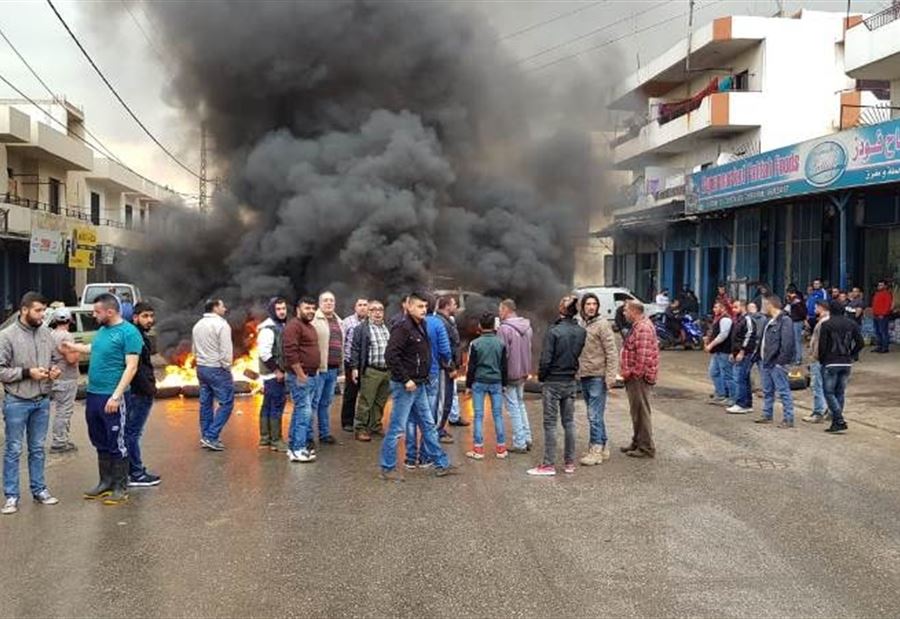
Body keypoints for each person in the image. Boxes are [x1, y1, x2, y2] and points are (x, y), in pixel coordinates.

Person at [65, 293, 143, 505]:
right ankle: (105, 482)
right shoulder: (102, 330)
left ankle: (120, 486)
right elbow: (94, 348)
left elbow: (132, 366)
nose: (93, 314)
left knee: (117, 441)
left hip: (113, 396)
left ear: (110, 311)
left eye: (97, 311)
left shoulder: (129, 333)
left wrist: (116, 396)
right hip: (94, 394)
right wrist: (73, 348)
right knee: (99, 438)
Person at [379, 292, 455, 481]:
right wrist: (405, 379)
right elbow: (390, 356)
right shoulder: (402, 328)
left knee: (429, 425)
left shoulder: (422, 325)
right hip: (406, 387)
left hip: (420, 384)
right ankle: (387, 468)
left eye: (425, 306)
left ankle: (441, 463)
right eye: (420, 306)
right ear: (409, 306)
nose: (424, 310)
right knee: (397, 428)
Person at [0, 292, 61, 515]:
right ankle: (11, 496)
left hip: (42, 401)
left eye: (44, 310)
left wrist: (55, 370)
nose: (42, 315)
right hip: (16, 401)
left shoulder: (46, 333)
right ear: (24, 310)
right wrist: (28, 373)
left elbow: (55, 359)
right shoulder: (6, 336)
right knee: (13, 449)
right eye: (38, 310)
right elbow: (1, 370)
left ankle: (40, 490)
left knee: (37, 449)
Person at [527, 295, 586, 476]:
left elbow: (546, 360)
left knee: (550, 424)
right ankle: (569, 463)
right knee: (569, 423)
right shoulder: (581, 331)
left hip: (553, 382)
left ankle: (548, 465)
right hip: (570, 381)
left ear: (562, 309)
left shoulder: (554, 331)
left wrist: (542, 377)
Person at [404, 295, 450, 468]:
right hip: (431, 373)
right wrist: (445, 362)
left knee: (410, 417)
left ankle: (410, 458)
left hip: (411, 377)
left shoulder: (406, 324)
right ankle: (425, 457)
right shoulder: (437, 323)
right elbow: (445, 350)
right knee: (428, 416)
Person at [577, 293, 618, 466]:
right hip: (585, 375)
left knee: (593, 415)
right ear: (583, 307)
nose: (591, 307)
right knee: (596, 415)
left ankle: (596, 450)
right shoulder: (582, 324)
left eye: (594, 304)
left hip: (597, 376)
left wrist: (610, 377)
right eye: (588, 304)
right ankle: (603, 445)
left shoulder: (602, 325)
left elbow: (611, 352)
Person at [124, 301, 161, 487]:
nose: (150, 320)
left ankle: (130, 471)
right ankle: (136, 473)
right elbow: (135, 368)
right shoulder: (135, 337)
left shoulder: (137, 335)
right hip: (139, 393)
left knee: (130, 433)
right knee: (132, 433)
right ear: (135, 317)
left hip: (137, 391)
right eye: (145, 316)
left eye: (151, 316)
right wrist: (149, 389)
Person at [464, 312, 508, 460]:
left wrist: (468, 385)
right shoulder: (500, 343)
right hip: (496, 382)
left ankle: (478, 449)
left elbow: (471, 366)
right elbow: (504, 366)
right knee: (497, 415)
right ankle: (501, 448)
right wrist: (504, 383)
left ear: (480, 326)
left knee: (478, 415)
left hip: (479, 382)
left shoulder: (475, 344)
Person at [619, 300, 659, 459]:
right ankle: (637, 442)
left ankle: (646, 448)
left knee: (641, 412)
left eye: (625, 310)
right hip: (634, 377)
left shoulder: (642, 328)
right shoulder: (638, 326)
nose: (624, 313)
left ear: (634, 311)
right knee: (636, 411)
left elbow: (642, 358)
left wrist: (632, 373)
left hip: (638, 379)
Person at [192, 299, 234, 451]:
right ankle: (211, 435)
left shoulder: (198, 325)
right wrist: (227, 367)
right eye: (223, 306)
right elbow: (226, 351)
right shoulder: (222, 325)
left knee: (206, 403)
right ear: (215, 308)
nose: (225, 308)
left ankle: (206, 436)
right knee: (227, 403)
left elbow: (194, 349)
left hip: (202, 368)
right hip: (217, 368)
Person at [818, 300, 864, 434]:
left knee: (828, 392)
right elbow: (860, 342)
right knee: (840, 392)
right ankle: (836, 422)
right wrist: (852, 354)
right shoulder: (852, 324)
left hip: (831, 361)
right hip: (846, 361)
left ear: (830, 310)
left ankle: (838, 418)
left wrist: (822, 360)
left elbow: (822, 345)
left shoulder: (826, 324)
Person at [283, 297, 321, 463]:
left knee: (302, 412)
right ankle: (299, 449)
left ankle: (293, 447)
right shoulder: (293, 326)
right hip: (301, 377)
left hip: (311, 375)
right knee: (304, 413)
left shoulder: (309, 327)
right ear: (298, 309)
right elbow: (290, 352)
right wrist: (300, 374)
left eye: (313, 308)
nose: (311, 311)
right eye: (307, 308)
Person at [350, 300, 390, 441]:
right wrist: (354, 368)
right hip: (371, 371)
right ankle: (360, 428)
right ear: (368, 312)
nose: (377, 312)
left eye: (380, 309)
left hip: (387, 371)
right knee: (366, 401)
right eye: (374, 310)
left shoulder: (388, 327)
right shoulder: (361, 329)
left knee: (380, 401)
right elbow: (354, 350)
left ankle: (375, 426)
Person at [498, 298, 534, 454]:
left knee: (513, 407)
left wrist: (500, 376)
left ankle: (519, 443)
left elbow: (502, 355)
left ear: (506, 309)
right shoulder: (527, 327)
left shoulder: (504, 329)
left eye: (500, 309)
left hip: (510, 374)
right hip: (524, 372)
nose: (499, 313)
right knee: (520, 404)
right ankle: (527, 438)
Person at [754, 295, 796, 428]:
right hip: (765, 361)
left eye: (765, 304)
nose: (764, 307)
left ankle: (788, 418)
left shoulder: (785, 321)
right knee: (767, 390)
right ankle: (767, 415)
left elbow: (787, 343)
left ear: (771, 305)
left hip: (776, 362)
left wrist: (781, 362)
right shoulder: (768, 321)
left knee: (783, 390)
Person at [309, 291, 342, 445]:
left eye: (331, 300)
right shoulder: (314, 320)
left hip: (333, 368)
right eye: (326, 300)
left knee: (326, 403)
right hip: (319, 369)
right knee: (313, 403)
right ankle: (308, 436)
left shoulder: (338, 321)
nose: (329, 303)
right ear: (320, 303)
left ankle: (324, 433)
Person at [257, 297, 289, 451]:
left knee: (267, 405)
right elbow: (264, 353)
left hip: (273, 374)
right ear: (272, 311)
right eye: (278, 309)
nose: (282, 312)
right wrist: (277, 371)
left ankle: (265, 439)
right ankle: (276, 440)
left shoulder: (278, 326)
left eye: (283, 308)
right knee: (276, 405)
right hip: (273, 375)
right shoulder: (269, 329)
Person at [48, 307, 81, 453]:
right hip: (66, 379)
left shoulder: (51, 334)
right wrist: (78, 350)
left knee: (59, 410)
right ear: (70, 320)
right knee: (64, 411)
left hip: (54, 377)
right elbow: (72, 359)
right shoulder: (66, 337)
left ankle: (60, 439)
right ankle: (60, 442)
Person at [435, 295, 464, 438]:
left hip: (447, 367)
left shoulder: (446, 321)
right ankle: (438, 430)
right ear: (447, 306)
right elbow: (444, 349)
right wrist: (450, 368)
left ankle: (440, 427)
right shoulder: (442, 323)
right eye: (454, 304)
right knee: (443, 399)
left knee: (447, 398)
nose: (456, 307)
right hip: (444, 369)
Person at [340, 298, 369, 433]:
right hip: (350, 362)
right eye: (360, 305)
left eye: (365, 305)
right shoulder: (347, 322)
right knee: (350, 392)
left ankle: (364, 421)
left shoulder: (372, 322)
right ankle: (347, 421)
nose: (363, 307)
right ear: (355, 307)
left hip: (367, 363)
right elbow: (342, 342)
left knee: (367, 394)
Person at [801, 300, 830, 424]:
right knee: (826, 385)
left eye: (816, 307)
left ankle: (819, 411)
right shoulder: (827, 321)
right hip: (824, 359)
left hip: (818, 359)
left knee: (817, 385)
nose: (814, 309)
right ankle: (828, 410)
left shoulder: (823, 323)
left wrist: (815, 356)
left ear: (821, 307)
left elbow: (820, 343)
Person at [726, 300, 757, 415]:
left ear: (743, 307)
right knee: (744, 378)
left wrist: (742, 351)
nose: (733, 309)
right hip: (738, 352)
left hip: (744, 354)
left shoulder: (747, 320)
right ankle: (746, 403)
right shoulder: (739, 320)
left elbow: (749, 336)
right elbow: (736, 338)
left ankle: (742, 403)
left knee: (740, 379)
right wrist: (732, 352)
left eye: (736, 307)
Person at [705, 300, 734, 407]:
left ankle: (731, 397)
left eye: (717, 307)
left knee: (727, 374)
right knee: (714, 372)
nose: (714, 309)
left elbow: (723, 335)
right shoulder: (718, 319)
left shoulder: (725, 319)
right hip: (718, 351)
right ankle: (721, 394)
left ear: (723, 308)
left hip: (724, 351)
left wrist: (711, 345)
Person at [786, 286, 806, 365]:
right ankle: (795, 357)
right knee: (794, 340)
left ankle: (798, 358)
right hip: (794, 321)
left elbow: (802, 312)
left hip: (797, 321)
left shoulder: (796, 301)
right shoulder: (793, 300)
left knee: (797, 340)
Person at [872, 280, 893, 353]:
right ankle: (879, 346)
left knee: (883, 332)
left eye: (881, 285)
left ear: (885, 286)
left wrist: (883, 314)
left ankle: (885, 347)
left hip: (882, 316)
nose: (879, 286)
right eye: (879, 285)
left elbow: (888, 305)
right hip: (876, 315)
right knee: (877, 332)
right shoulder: (877, 293)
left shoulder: (887, 294)